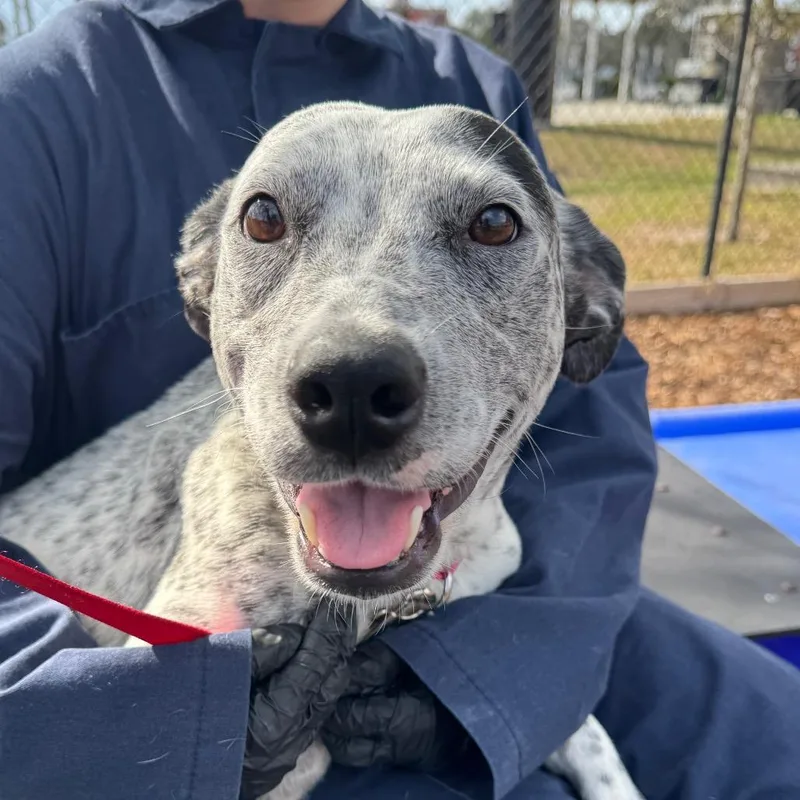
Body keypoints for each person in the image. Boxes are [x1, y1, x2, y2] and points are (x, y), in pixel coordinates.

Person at [0, 0, 799, 798]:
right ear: (201, 283)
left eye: (488, 227)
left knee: (779, 737)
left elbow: (598, 424)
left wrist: (503, 671)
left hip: (524, 591)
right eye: (268, 223)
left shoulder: (471, 79)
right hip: (113, 683)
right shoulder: (41, 99)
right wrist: (154, 738)